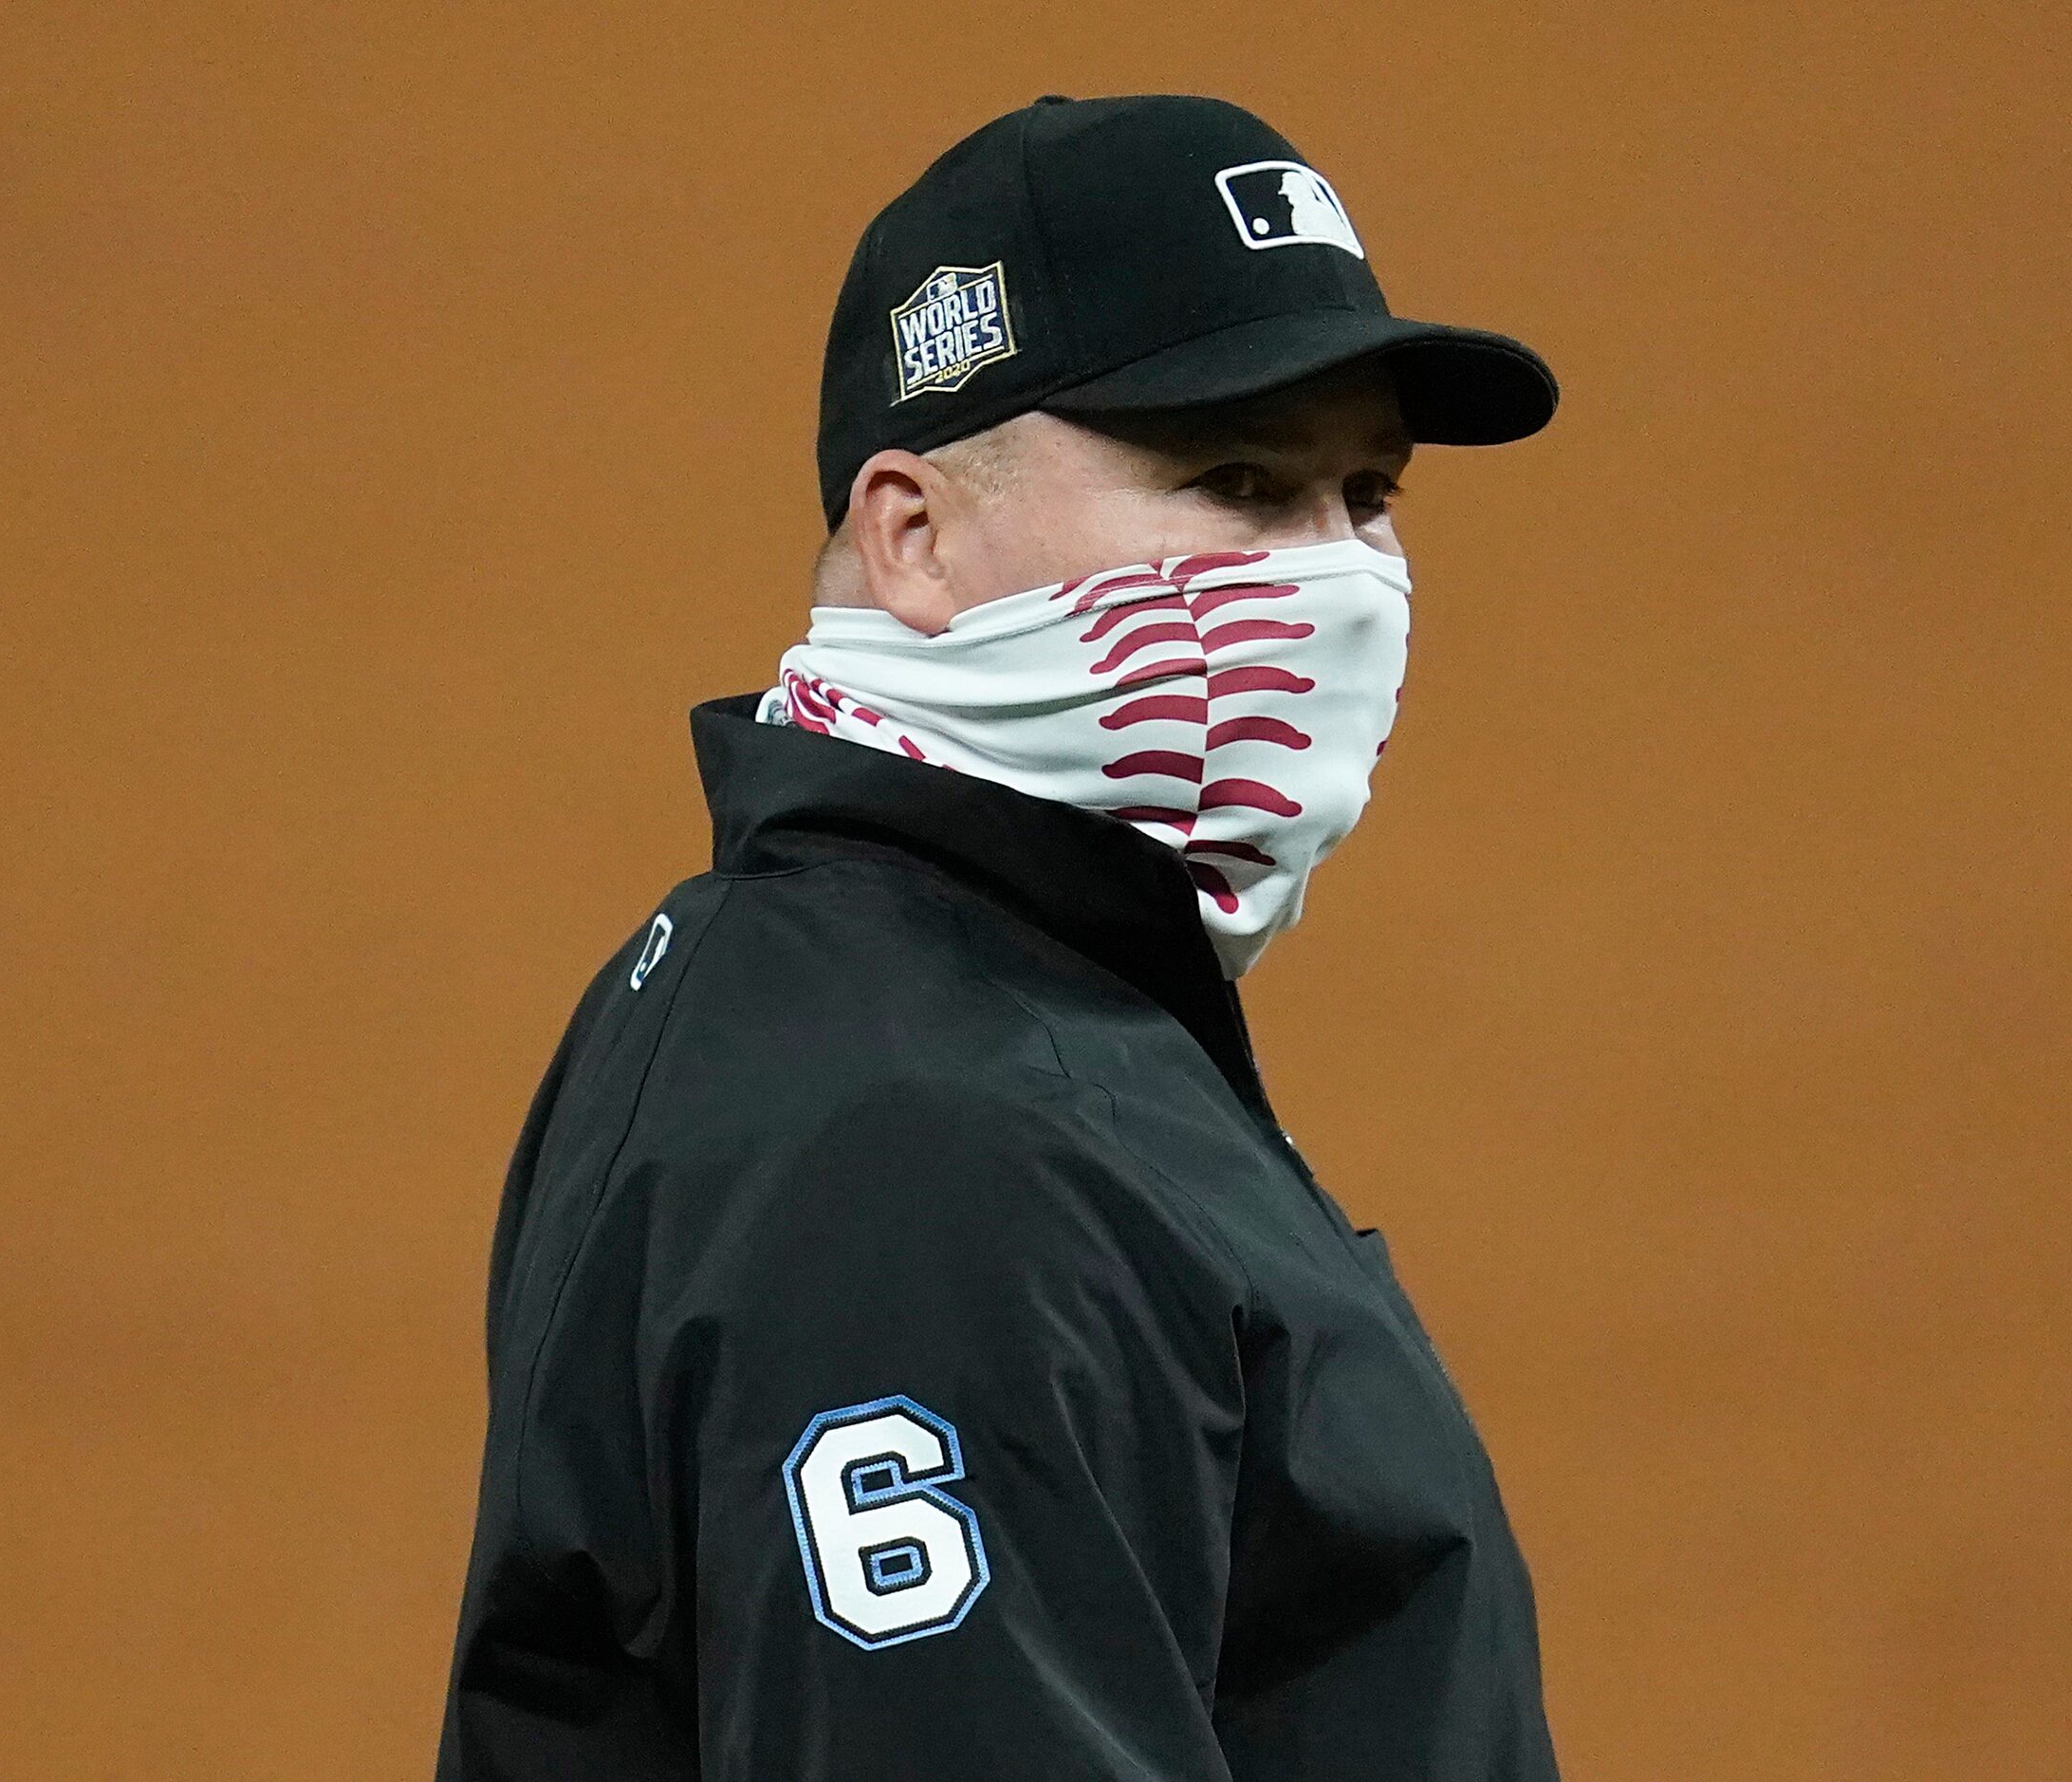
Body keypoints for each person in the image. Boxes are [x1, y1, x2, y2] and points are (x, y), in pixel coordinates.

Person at [436, 92, 1563, 1780]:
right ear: (915, 537)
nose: (1333, 583)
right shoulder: (937, 1146)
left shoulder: (825, 972)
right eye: (1236, 483)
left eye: (1366, 495)